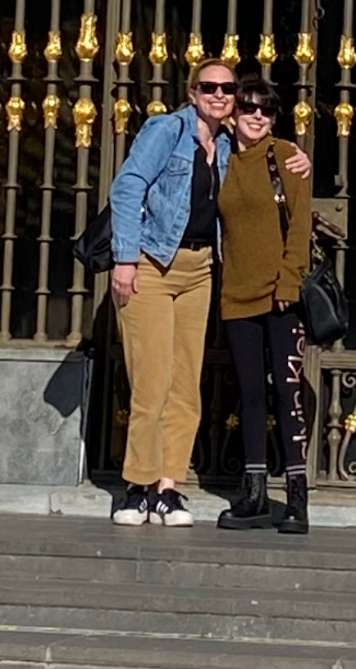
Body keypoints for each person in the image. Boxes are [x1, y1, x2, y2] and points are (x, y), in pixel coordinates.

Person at [109, 58, 311, 527]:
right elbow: (128, 188)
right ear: (191, 91)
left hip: (200, 271)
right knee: (152, 378)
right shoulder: (167, 131)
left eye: (228, 89)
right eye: (210, 87)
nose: (221, 95)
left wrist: (299, 157)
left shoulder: (226, 144)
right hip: (153, 265)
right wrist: (124, 257)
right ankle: (137, 486)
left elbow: (273, 179)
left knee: (185, 385)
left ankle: (168, 487)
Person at [217, 76, 311, 534]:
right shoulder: (218, 156)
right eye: (250, 107)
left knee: (286, 394)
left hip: (280, 295)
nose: (258, 116)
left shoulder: (287, 156)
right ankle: (254, 493)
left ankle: (296, 498)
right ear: (233, 112)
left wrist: (288, 283)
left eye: (268, 110)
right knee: (251, 394)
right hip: (236, 294)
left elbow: (299, 228)